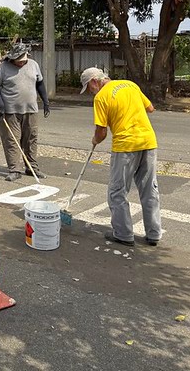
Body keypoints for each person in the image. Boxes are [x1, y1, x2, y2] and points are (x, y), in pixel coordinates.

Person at [80, 67, 162, 247]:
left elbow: (101, 133)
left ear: (95, 81)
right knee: (149, 189)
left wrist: (95, 140)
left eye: (89, 88)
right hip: (148, 142)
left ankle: (123, 234)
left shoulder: (101, 97)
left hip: (125, 146)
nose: (90, 92)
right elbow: (150, 108)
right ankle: (154, 233)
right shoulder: (130, 84)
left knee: (117, 191)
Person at [0, 43, 50, 182]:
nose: (21, 62)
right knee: (12, 140)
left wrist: (46, 102)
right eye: (18, 60)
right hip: (10, 112)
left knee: (31, 139)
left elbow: (40, 84)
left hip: (31, 109)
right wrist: (0, 105)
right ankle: (14, 169)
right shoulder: (3, 67)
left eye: (23, 60)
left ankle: (32, 168)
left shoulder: (33, 64)